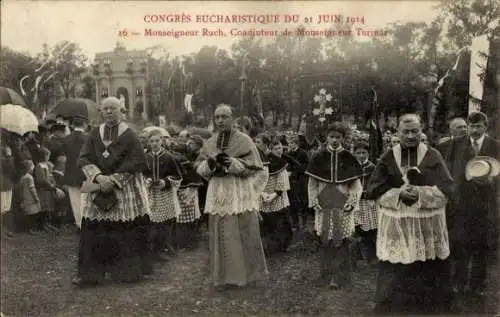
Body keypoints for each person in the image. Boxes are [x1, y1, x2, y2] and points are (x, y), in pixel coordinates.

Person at [367, 114, 454, 314]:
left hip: (425, 225)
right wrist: (398, 194)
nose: (410, 136)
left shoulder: (433, 155)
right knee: (395, 268)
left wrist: (420, 193)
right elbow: (374, 189)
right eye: (405, 132)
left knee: (426, 265)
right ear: (398, 132)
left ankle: (427, 306)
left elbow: (448, 189)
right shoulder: (389, 156)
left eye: (414, 131)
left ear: (421, 130)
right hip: (398, 224)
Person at [73, 97, 152, 287]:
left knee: (124, 230)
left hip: (124, 188)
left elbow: (137, 161)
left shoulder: (131, 135)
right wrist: (99, 177)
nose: (109, 112)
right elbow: (84, 158)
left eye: (113, 108)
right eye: (105, 109)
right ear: (101, 111)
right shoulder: (93, 134)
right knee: (94, 230)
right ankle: (91, 275)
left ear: (121, 110)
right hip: (99, 185)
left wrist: (115, 180)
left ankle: (126, 272)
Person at [195, 104, 269, 289]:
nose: (220, 120)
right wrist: (210, 164)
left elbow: (255, 166)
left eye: (224, 117)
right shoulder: (210, 142)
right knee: (221, 231)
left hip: (238, 189)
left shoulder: (244, 140)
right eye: (217, 117)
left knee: (241, 228)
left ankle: (245, 275)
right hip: (218, 190)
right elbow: (199, 168)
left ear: (232, 119)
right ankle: (222, 277)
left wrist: (233, 162)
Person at [446, 111, 499, 300]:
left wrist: (492, 182)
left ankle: (478, 285)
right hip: (461, 203)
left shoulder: (495, 146)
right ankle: (458, 282)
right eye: (471, 126)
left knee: (481, 245)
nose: (474, 130)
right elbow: (449, 170)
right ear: (467, 127)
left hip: (485, 205)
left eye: (478, 126)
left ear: (486, 127)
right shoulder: (456, 144)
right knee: (459, 243)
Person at [306, 122, 363, 290]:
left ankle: (339, 277)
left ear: (343, 139)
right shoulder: (318, 157)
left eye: (338, 137)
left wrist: (352, 202)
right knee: (325, 240)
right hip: (324, 204)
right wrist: (313, 200)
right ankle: (325, 274)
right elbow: (312, 183)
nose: (335, 140)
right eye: (332, 137)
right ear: (326, 138)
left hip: (342, 205)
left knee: (341, 241)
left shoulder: (349, 158)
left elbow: (356, 186)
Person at [144, 129, 182, 261]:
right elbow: (143, 173)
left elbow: (177, 175)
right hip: (151, 193)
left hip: (164, 193)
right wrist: (147, 179)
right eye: (152, 141)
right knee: (152, 221)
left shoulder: (168, 157)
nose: (154, 144)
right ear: (148, 143)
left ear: (162, 141)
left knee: (165, 222)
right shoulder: (146, 157)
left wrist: (165, 181)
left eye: (157, 141)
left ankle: (165, 247)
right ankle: (154, 250)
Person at [260, 140, 293, 253]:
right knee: (268, 222)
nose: (279, 151)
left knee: (282, 222)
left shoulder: (281, 162)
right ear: (270, 149)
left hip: (278, 196)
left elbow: (282, 181)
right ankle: (269, 246)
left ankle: (282, 245)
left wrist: (276, 194)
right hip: (265, 195)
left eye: (280, 148)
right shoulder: (264, 161)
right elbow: (259, 180)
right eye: (276, 149)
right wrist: (262, 193)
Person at [352, 140, 378, 264]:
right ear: (354, 154)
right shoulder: (351, 167)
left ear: (368, 153)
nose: (361, 155)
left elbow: (375, 183)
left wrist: (370, 192)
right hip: (356, 201)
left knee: (370, 228)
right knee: (357, 227)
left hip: (368, 202)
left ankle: (371, 255)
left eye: (364, 152)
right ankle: (357, 254)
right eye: (358, 153)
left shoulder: (372, 167)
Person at [62, 117, 88, 229]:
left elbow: (66, 157)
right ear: (84, 124)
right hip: (85, 173)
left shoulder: (66, 139)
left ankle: (79, 224)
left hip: (71, 173)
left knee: (75, 200)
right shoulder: (89, 138)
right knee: (86, 200)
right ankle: (86, 223)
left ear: (72, 125)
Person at [284, 134, 309, 231]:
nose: (290, 145)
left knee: (302, 202)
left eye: (292, 143)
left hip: (300, 181)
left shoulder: (302, 153)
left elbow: (305, 167)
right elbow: (287, 165)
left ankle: (304, 223)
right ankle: (295, 224)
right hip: (291, 182)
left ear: (296, 143)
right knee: (292, 202)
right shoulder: (288, 154)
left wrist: (293, 172)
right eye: (289, 143)